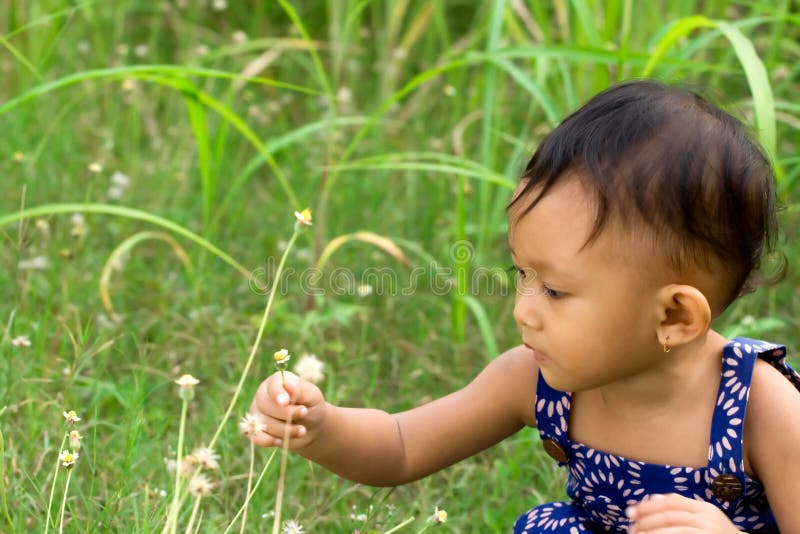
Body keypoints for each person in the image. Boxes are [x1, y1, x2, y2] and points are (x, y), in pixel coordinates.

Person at [246, 81, 800, 533]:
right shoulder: (535, 380)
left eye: (555, 291)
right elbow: (401, 444)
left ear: (674, 317)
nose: (524, 311)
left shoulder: (764, 412)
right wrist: (321, 428)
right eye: (521, 275)